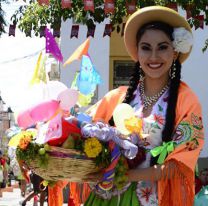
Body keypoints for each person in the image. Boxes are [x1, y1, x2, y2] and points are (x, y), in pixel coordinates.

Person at [70, 5, 204, 206]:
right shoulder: (116, 97)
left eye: (162, 47)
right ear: (137, 52)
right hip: (106, 199)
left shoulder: (186, 100)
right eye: (146, 47)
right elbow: (79, 131)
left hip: (154, 199)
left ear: (175, 52)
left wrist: (124, 175)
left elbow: (179, 165)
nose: (153, 57)